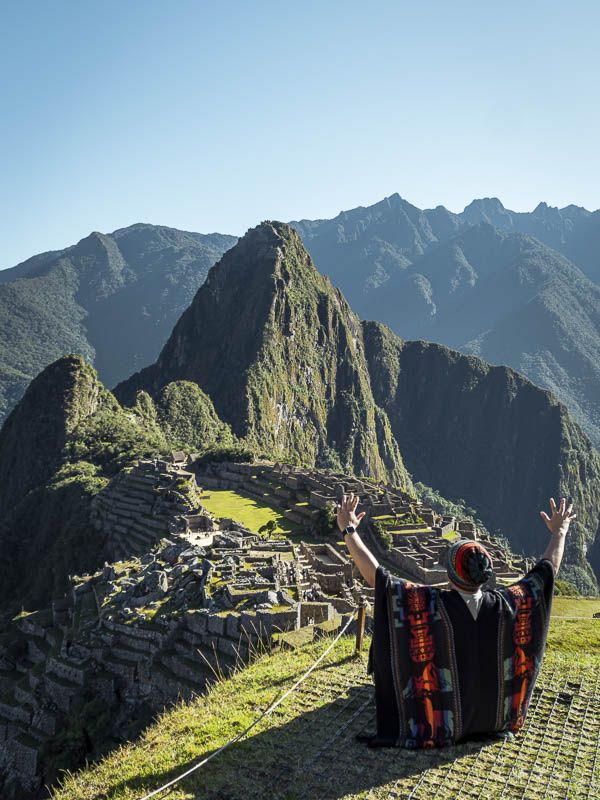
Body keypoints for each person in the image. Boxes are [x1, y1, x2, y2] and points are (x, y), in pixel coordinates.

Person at [336, 493, 576, 748]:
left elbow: (378, 578)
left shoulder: (430, 605)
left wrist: (348, 529)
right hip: (495, 720)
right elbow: (547, 570)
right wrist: (559, 532)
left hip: (441, 725)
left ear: (450, 574)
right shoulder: (510, 604)